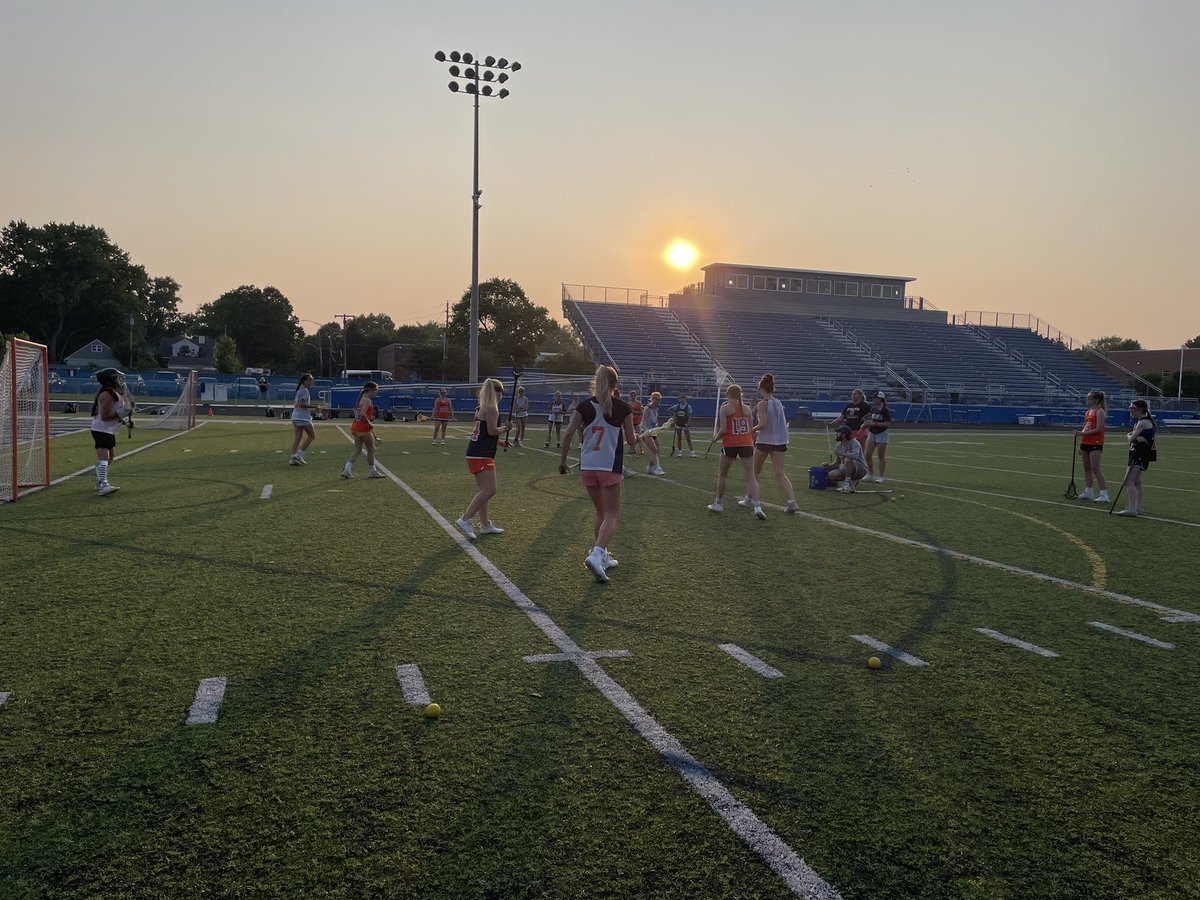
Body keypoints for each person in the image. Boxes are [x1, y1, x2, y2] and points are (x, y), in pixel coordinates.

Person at [559, 365, 637, 583]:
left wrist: (563, 461)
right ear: (615, 385)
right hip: (609, 466)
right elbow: (631, 440)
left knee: (601, 513)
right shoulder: (622, 407)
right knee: (612, 515)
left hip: (588, 466)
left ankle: (602, 554)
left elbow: (568, 434)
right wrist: (640, 438)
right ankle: (596, 553)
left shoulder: (584, 406)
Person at [455, 378, 511, 540]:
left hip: (475, 452)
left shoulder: (482, 407)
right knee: (490, 490)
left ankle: (485, 525)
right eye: (499, 392)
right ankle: (466, 519)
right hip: (481, 454)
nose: (501, 395)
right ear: (495, 393)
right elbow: (493, 430)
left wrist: (499, 442)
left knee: (484, 491)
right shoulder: (492, 408)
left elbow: (485, 433)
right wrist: (505, 428)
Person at [739, 373, 799, 513]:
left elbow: (763, 424)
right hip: (780, 441)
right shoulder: (778, 402)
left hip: (766, 441)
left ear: (761, 389)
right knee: (780, 473)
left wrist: (751, 430)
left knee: (754, 471)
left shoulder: (762, 404)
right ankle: (792, 502)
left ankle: (748, 500)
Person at [707, 384, 764, 518]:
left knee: (722, 475)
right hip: (746, 443)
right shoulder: (747, 409)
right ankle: (757, 506)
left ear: (728, 394)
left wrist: (715, 439)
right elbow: (750, 430)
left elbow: (724, 430)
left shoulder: (725, 408)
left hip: (730, 444)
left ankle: (719, 503)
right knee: (751, 477)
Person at [90, 368, 129, 496]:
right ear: (111, 379)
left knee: (110, 458)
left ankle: (99, 482)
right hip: (101, 429)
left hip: (107, 430)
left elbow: (114, 413)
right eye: (117, 377)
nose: (120, 380)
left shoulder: (113, 393)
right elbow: (105, 416)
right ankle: (103, 485)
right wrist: (122, 414)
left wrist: (125, 421)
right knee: (104, 458)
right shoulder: (107, 394)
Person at [1117, 400, 1156, 517]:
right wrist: (1134, 436)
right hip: (1139, 453)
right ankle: (1137, 507)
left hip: (1139, 454)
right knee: (1137, 481)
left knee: (1128, 481)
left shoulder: (1142, 423)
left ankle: (1132, 508)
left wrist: (1129, 435)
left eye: (1133, 408)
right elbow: (1134, 437)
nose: (1131, 411)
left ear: (1140, 409)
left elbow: (1130, 438)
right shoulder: (1142, 422)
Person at [342, 381, 385, 479]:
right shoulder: (367, 400)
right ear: (370, 390)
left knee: (357, 450)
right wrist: (369, 423)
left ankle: (347, 470)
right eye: (375, 390)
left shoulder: (361, 399)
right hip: (363, 428)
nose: (376, 392)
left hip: (355, 427)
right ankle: (372, 471)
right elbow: (362, 413)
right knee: (371, 449)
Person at [1075, 390, 1109, 503]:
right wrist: (1081, 442)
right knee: (1087, 468)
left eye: (1089, 398)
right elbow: (1086, 427)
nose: (1087, 400)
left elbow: (1099, 429)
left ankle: (1104, 494)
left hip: (1095, 442)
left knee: (1095, 468)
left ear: (1096, 400)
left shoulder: (1100, 411)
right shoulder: (1088, 411)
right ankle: (1089, 491)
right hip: (1085, 442)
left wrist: (1082, 434)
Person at [827, 425, 869, 492]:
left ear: (844, 434)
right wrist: (828, 466)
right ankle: (853, 481)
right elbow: (837, 463)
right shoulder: (838, 446)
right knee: (830, 475)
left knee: (848, 459)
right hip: (846, 468)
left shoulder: (855, 443)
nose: (836, 434)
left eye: (838, 433)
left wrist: (841, 453)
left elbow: (855, 456)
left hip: (860, 469)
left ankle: (847, 483)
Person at [289, 374, 319, 465]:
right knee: (312, 436)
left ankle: (293, 458)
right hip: (302, 417)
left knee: (298, 438)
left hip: (296, 416)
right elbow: (301, 405)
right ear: (304, 381)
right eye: (310, 380)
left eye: (312, 380)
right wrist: (314, 406)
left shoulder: (299, 390)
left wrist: (313, 409)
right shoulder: (305, 390)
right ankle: (299, 455)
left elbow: (301, 405)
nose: (311, 382)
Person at [863, 391, 892, 483]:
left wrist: (874, 423)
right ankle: (870, 474)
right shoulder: (873, 409)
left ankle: (881, 476)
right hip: (872, 432)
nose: (873, 399)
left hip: (882, 433)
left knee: (881, 456)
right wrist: (865, 421)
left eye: (875, 398)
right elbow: (868, 416)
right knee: (867, 455)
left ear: (880, 399)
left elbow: (887, 423)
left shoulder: (885, 410)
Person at [640, 391, 666, 476]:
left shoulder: (656, 409)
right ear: (652, 399)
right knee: (654, 450)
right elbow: (643, 422)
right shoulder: (647, 408)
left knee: (657, 451)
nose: (658, 401)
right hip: (646, 433)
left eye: (659, 400)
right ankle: (657, 467)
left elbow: (655, 422)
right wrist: (646, 431)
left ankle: (650, 468)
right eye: (656, 399)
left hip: (653, 432)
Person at [668, 393, 696, 457]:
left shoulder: (688, 406)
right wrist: (675, 414)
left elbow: (689, 416)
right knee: (679, 438)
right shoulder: (677, 406)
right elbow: (669, 409)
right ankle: (680, 452)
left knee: (688, 439)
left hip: (685, 424)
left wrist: (687, 425)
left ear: (685, 399)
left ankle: (692, 452)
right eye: (680, 398)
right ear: (678, 399)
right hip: (678, 424)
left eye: (683, 398)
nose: (682, 400)